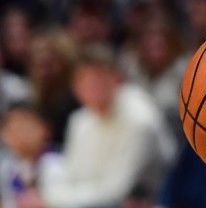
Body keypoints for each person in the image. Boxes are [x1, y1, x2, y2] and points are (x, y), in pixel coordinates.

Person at [34, 44, 174, 208]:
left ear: (117, 79)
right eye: (85, 80)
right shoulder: (80, 120)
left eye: (99, 78)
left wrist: (49, 200)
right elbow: (73, 177)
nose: (93, 87)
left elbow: (116, 192)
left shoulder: (140, 118)